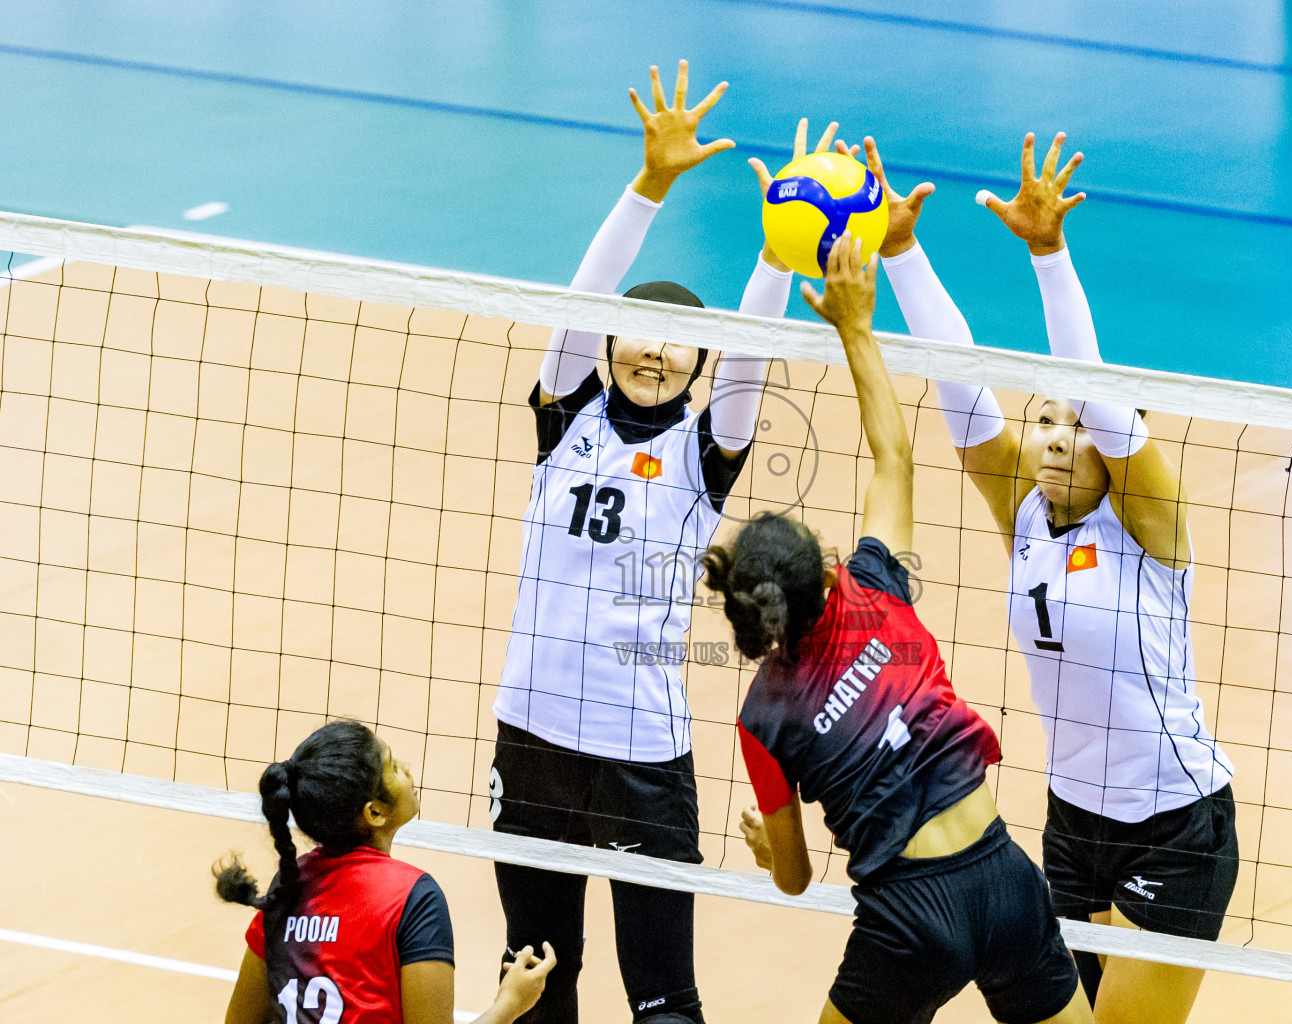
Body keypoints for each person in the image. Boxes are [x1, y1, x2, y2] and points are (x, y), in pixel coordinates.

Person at [488, 61, 833, 1024]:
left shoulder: (701, 452)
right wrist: (649, 185)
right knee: (534, 980)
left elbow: (754, 354)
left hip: (641, 753)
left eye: (678, 342)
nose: (653, 348)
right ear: (609, 341)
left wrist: (779, 249)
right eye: (638, 332)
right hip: (534, 736)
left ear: (698, 364)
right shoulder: (566, 418)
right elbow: (583, 295)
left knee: (663, 1000)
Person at [882, 131, 1234, 1024]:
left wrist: (1049, 254)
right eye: (1041, 420)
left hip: (1176, 825)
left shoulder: (1148, 524)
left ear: (1115, 448)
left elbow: (1096, 390)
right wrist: (902, 253)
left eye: (1075, 426)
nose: (1051, 437)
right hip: (1073, 824)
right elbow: (960, 387)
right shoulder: (1026, 514)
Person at [704, 230, 1091, 1024]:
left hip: (910, 920)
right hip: (1005, 876)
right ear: (819, 570)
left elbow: (796, 876)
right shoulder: (872, 586)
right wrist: (854, 326)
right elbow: (894, 459)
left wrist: (766, 847)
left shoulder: (761, 717)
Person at [215, 719, 555, 1024]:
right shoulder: (413, 897)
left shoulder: (287, 887)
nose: (406, 768)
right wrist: (509, 1004)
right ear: (375, 812)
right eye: (392, 766)